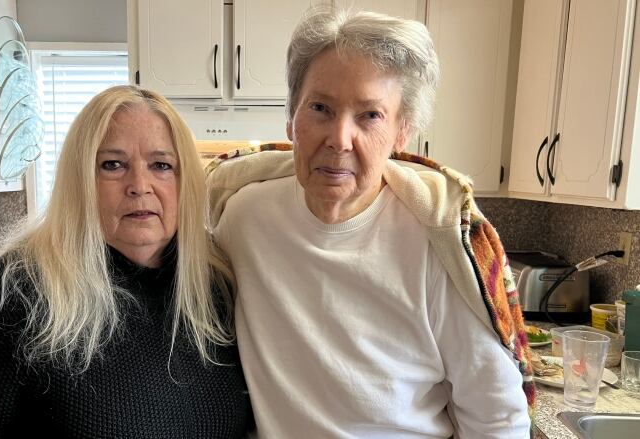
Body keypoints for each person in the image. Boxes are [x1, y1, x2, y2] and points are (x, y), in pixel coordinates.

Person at [207, 8, 533, 438]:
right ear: (291, 119)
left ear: (402, 133)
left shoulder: (440, 247)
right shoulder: (243, 218)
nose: (339, 139)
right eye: (320, 108)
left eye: (370, 115)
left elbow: (497, 419)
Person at [0, 86, 253, 437]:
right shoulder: (21, 290)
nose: (139, 185)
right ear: (81, 180)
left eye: (161, 165)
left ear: (184, 180)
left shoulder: (217, 284)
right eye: (112, 165)